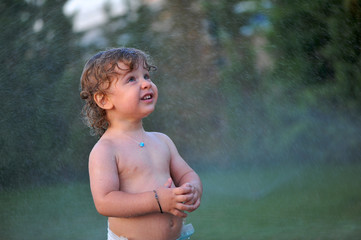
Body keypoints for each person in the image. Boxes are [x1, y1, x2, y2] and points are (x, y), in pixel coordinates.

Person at [79, 47, 202, 240]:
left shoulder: (162, 140)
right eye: (131, 79)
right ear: (104, 99)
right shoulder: (106, 150)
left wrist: (192, 189)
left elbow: (187, 174)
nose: (145, 83)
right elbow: (105, 201)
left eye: (146, 75)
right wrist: (157, 200)